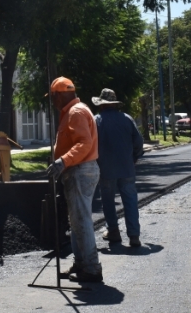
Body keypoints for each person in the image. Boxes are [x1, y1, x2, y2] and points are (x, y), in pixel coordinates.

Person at [46, 77, 103, 283]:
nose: (52, 102)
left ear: (59, 94)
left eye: (53, 97)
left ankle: (91, 268)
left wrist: (63, 161)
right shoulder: (74, 111)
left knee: (81, 221)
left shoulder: (76, 112)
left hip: (80, 170)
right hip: (78, 170)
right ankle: (81, 263)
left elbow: (84, 144)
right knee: (76, 221)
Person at [92, 88, 144, 247]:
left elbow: (91, 145)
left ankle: (113, 231)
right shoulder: (127, 119)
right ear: (115, 104)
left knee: (108, 201)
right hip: (127, 168)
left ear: (101, 105)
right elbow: (139, 142)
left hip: (105, 169)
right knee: (130, 200)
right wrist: (135, 157)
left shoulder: (96, 120)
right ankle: (134, 235)